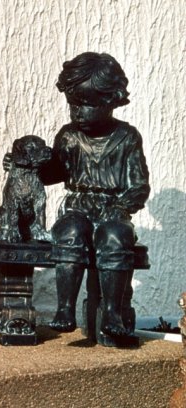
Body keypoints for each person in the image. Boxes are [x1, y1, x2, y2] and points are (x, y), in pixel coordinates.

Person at [41, 52, 150, 337]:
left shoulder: (127, 137)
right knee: (70, 232)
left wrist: (123, 205)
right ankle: (65, 307)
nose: (78, 112)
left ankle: (112, 312)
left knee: (114, 238)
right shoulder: (68, 136)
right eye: (73, 104)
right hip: (78, 207)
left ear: (111, 101)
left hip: (112, 209)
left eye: (87, 104)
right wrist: (28, 166)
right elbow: (54, 173)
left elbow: (139, 184)